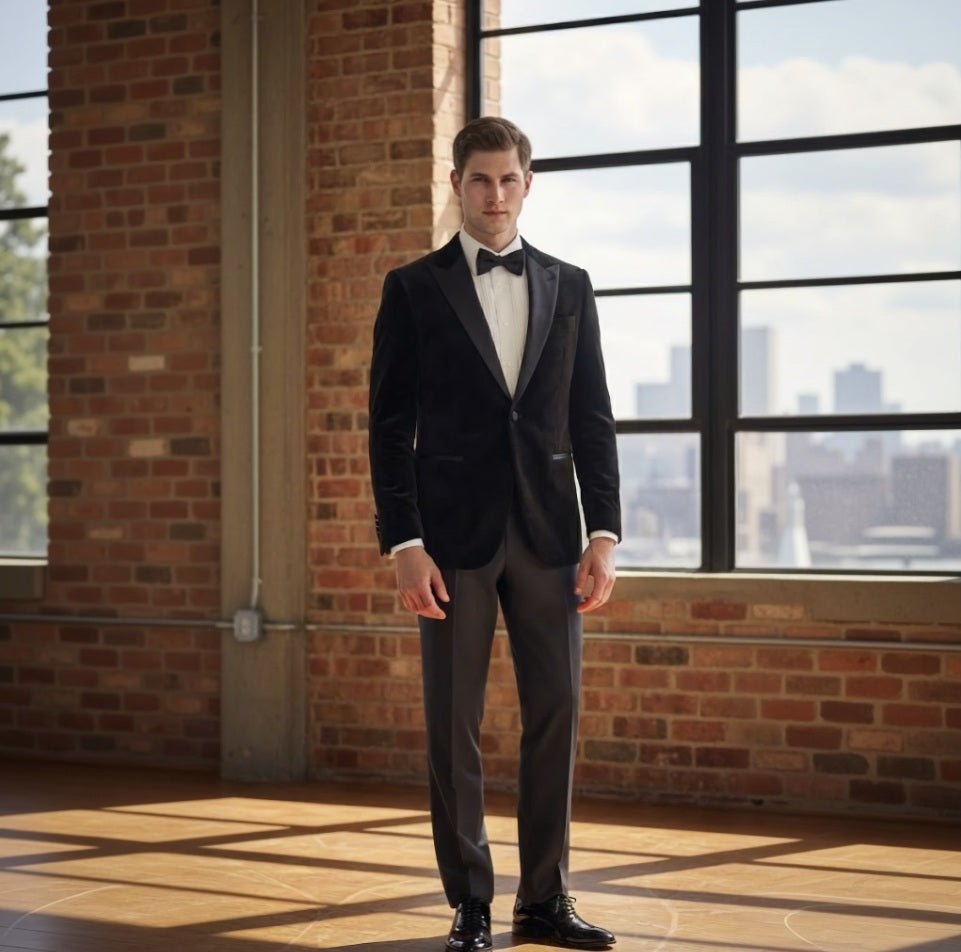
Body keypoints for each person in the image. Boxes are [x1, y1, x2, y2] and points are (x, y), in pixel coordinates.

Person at [368, 116, 620, 951]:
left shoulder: (570, 284)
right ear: (455, 185)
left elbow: (592, 418)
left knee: (557, 711)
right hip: (449, 540)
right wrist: (403, 541)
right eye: (479, 179)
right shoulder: (412, 288)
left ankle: (542, 898)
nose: (494, 194)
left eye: (508, 179)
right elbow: (386, 425)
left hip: (550, 534)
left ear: (527, 183)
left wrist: (605, 531)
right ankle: (471, 901)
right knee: (455, 724)